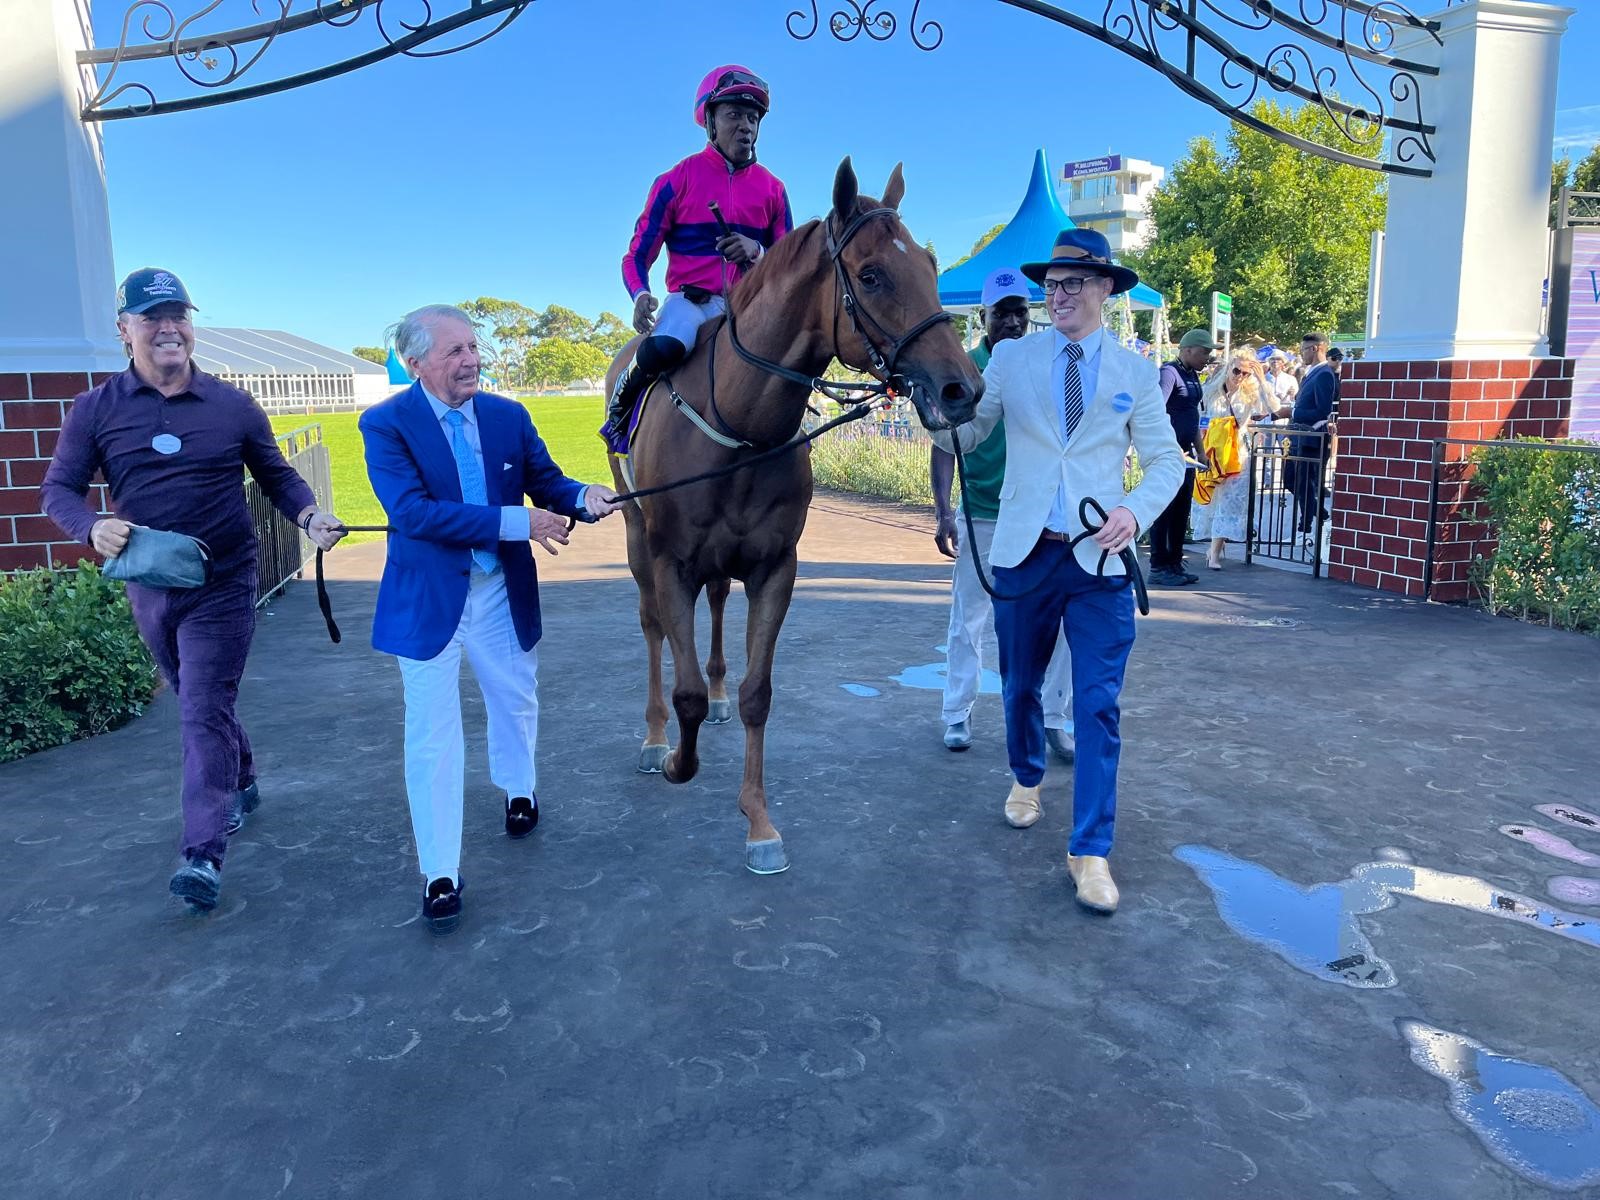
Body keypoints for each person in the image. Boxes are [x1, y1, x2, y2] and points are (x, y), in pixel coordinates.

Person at [39, 267, 347, 913]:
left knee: (201, 704)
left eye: (178, 314)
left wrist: (309, 515)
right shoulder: (96, 410)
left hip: (224, 581)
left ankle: (202, 852)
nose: (168, 327)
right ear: (125, 330)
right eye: (152, 317)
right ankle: (245, 775)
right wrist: (90, 525)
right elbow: (58, 489)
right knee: (194, 696)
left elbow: (276, 474)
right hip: (151, 580)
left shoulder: (232, 405)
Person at [930, 229, 1184, 915]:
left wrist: (1134, 512)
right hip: (1024, 550)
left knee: (1098, 704)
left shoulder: (1135, 373)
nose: (1060, 293)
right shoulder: (1014, 358)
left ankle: (1090, 849)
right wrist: (937, 409)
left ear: (1106, 290)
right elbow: (971, 431)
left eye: (1076, 282)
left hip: (1100, 558)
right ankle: (1025, 774)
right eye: (1054, 282)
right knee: (1018, 686)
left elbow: (1167, 462)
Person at [360, 305, 622, 935]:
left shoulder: (508, 415)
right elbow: (415, 513)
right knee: (432, 732)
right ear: (416, 363)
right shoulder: (385, 424)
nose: (471, 359)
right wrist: (519, 522)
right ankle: (440, 871)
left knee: (514, 697)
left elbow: (547, 480)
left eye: (473, 347)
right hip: (429, 599)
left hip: (501, 589)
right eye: (454, 352)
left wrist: (581, 496)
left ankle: (519, 788)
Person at [600, 65, 794, 450]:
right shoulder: (675, 180)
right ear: (709, 120)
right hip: (691, 305)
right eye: (734, 115)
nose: (746, 126)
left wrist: (756, 252)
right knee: (669, 345)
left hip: (747, 309)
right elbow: (636, 256)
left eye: (753, 118)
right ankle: (623, 401)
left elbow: (789, 264)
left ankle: (794, 440)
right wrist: (640, 294)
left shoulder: (774, 189)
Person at [930, 268, 1073, 760]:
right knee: (969, 617)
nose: (1012, 321)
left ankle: (1055, 716)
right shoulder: (965, 368)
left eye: (1019, 312)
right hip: (983, 512)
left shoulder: (1045, 364)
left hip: (1042, 516)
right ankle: (957, 711)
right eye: (1001, 313)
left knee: (1055, 621)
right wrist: (943, 509)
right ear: (984, 317)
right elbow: (947, 446)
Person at [1146, 329, 1218, 585]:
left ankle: (1174, 563)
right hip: (1168, 454)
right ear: (1187, 350)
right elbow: (1155, 412)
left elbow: (1192, 416)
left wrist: (1200, 450)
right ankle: (1158, 566)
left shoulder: (1192, 376)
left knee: (1180, 512)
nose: (1207, 358)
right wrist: (1171, 447)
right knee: (1165, 511)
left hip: (1187, 455)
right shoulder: (1169, 373)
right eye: (1204, 352)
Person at [1192, 353, 1272, 569]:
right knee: (1213, 501)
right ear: (1229, 368)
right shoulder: (1211, 392)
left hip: (1238, 455)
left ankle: (1215, 552)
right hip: (1214, 452)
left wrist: (1261, 378)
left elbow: (1271, 407)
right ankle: (1215, 547)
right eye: (1237, 371)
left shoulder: (1250, 393)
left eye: (1246, 373)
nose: (1240, 376)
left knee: (1230, 503)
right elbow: (1201, 417)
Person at [1275, 338, 1342, 541]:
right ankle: (1319, 513)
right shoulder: (1311, 373)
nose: (1301, 353)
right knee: (1290, 481)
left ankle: (1306, 528)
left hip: (1311, 438)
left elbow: (1322, 410)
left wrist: (1293, 410)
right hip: (1297, 437)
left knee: (1305, 483)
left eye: (1304, 349)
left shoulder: (1324, 374)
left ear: (1316, 348)